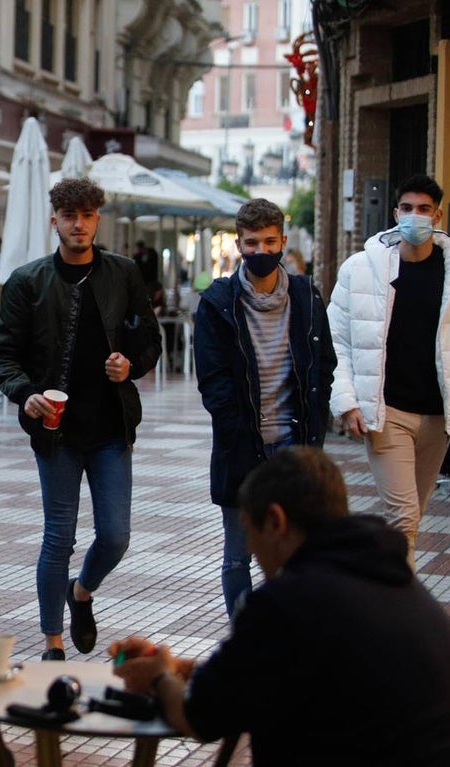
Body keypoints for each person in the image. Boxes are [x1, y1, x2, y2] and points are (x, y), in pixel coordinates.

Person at [110, 447, 450, 767]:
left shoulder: (290, 600)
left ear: (275, 521)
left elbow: (199, 718)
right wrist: (182, 668)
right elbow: (269, 675)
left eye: (249, 532)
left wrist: (161, 678)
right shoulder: (388, 575)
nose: (253, 554)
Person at [0, 177, 161, 661]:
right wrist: (24, 394)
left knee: (116, 535)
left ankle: (81, 592)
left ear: (97, 219)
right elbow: (2, 354)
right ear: (55, 221)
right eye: (70, 216)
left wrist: (131, 365)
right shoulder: (27, 281)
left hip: (110, 429)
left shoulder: (123, 274)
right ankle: (52, 641)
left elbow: (150, 340)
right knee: (57, 536)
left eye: (86, 215)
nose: (79, 224)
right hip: (56, 432)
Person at [327, 174, 450, 564]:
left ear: (436, 215)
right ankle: (401, 612)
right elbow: (337, 340)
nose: (414, 217)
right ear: (395, 212)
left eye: (423, 210)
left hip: (438, 415)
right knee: (403, 518)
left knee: (412, 516)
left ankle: (383, 588)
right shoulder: (361, 269)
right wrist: (347, 400)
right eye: (406, 208)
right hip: (387, 412)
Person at [193, 198, 335, 617]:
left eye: (269, 242)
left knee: (296, 552)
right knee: (238, 554)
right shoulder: (218, 301)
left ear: (283, 242)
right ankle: (245, 641)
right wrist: (238, 427)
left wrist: (316, 428)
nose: (260, 251)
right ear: (239, 244)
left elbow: (323, 365)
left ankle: (286, 639)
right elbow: (213, 381)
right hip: (242, 445)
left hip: (295, 446)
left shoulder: (307, 296)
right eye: (251, 243)